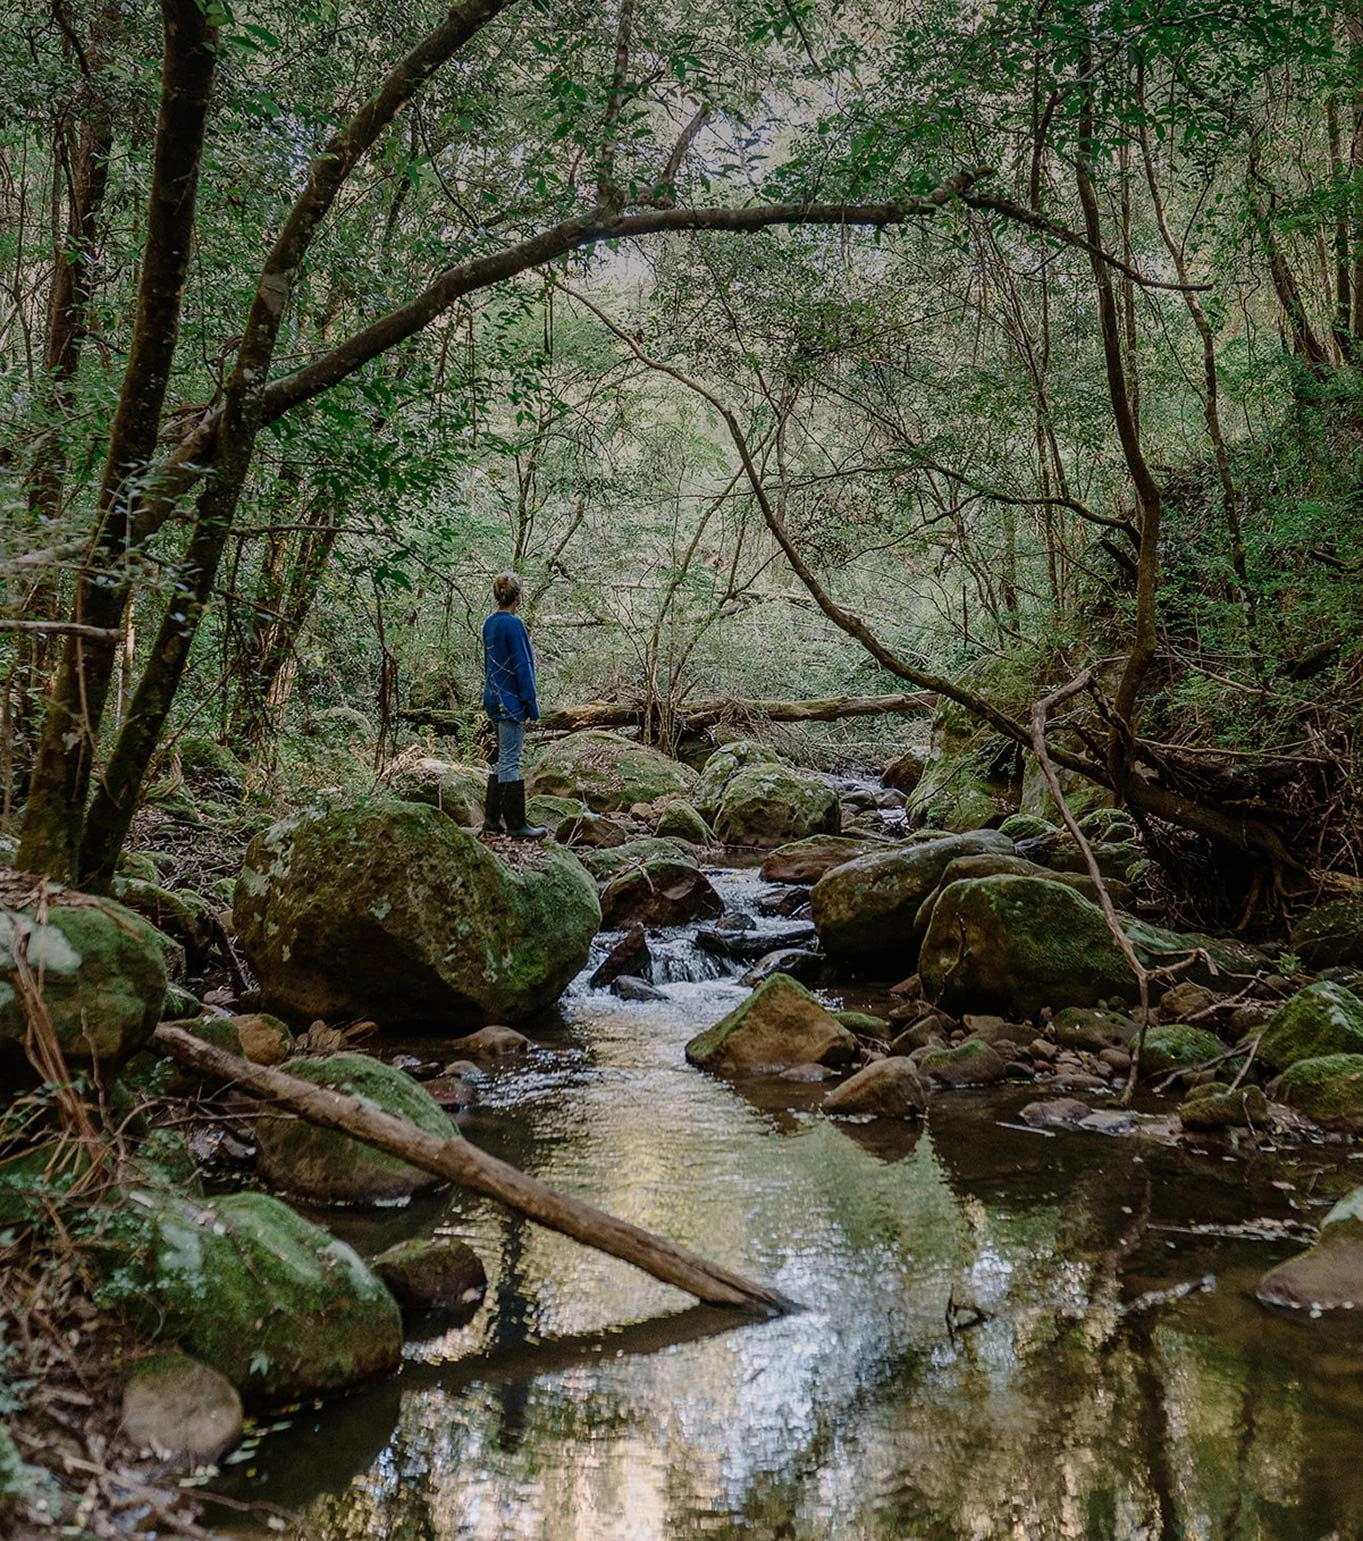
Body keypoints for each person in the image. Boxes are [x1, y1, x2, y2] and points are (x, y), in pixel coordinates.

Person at [481, 572, 546, 838]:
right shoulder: (514, 625)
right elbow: (523, 667)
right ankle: (517, 825)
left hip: (492, 698)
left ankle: (493, 821)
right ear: (518, 597)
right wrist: (531, 705)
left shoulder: (489, 623)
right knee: (510, 760)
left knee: (502, 759)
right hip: (510, 702)